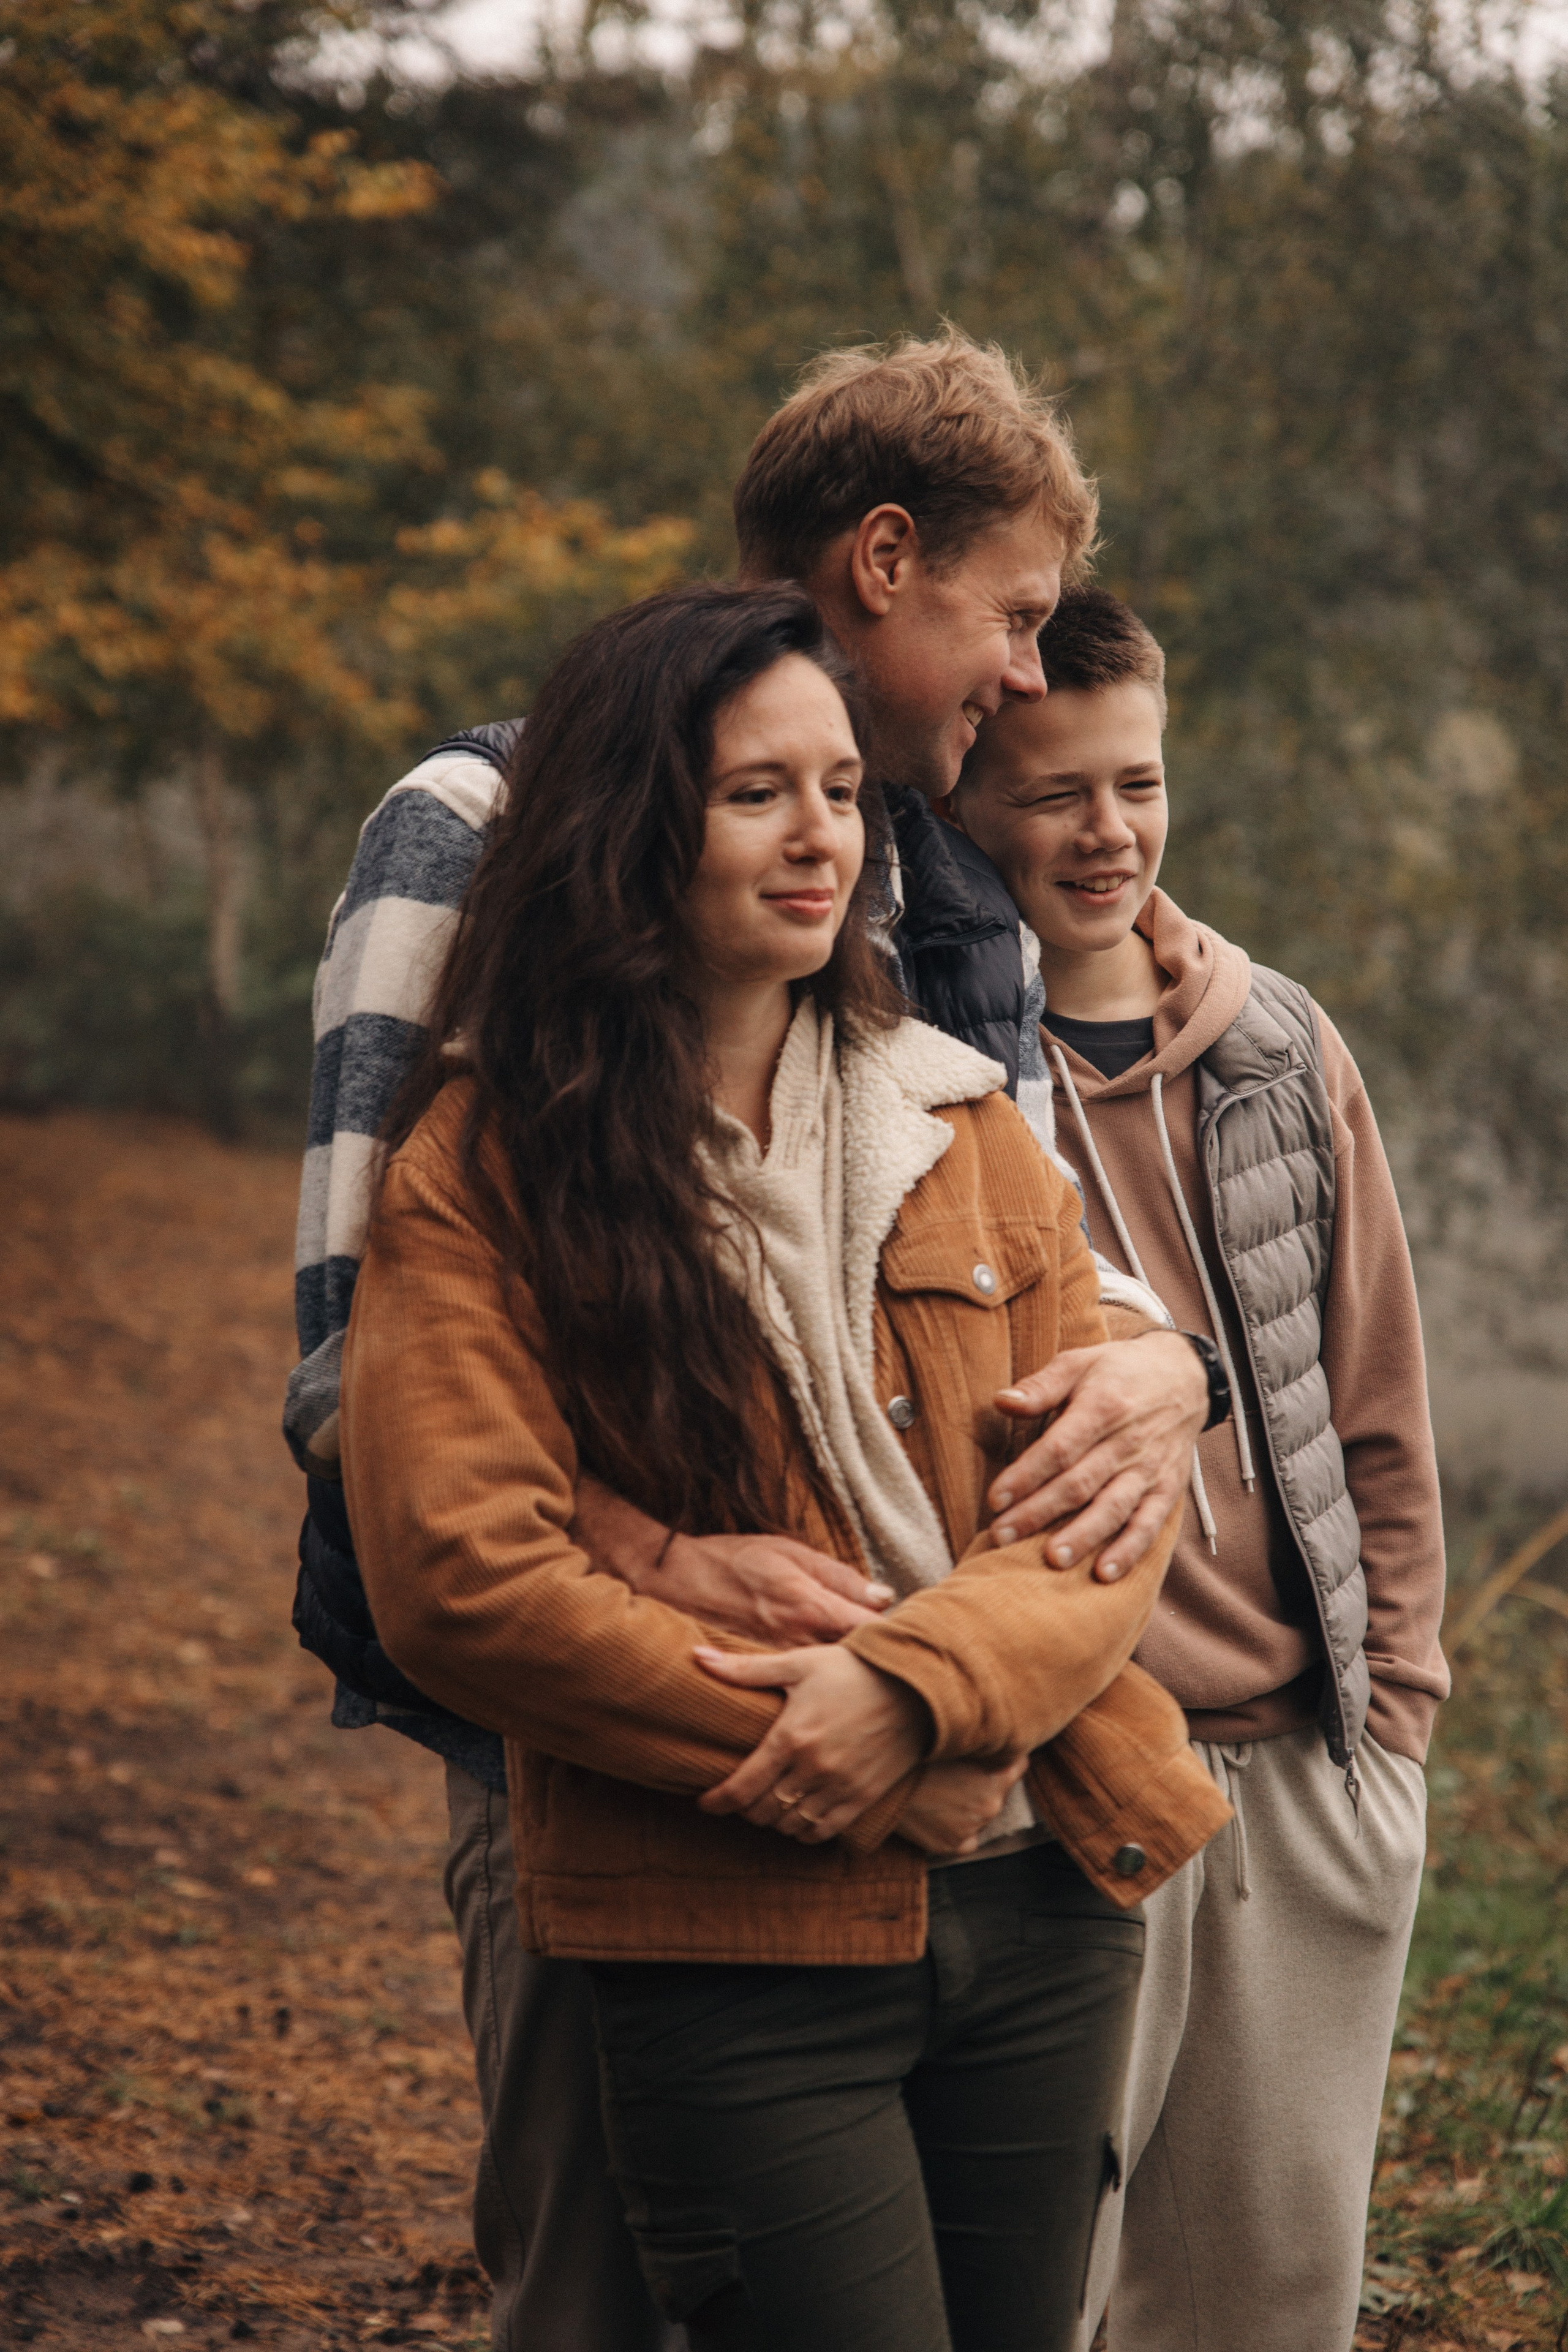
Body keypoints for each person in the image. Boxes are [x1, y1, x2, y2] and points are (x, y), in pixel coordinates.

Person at [283, 331, 1216, 2350]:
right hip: (606, 1755)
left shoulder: (935, 871)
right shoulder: (473, 820)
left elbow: (1031, 1251)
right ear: (884, 560)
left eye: (827, 798)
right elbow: (362, 1355)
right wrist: (645, 1562)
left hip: (976, 1787)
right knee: (602, 2289)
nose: (1029, 676)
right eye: (1015, 617)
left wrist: (1165, 1369)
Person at [945, 585, 1450, 2352]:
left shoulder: (1279, 1045)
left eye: (1138, 784)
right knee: (1041, 2294)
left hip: (1308, 1775)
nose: (1109, 831)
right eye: (1054, 792)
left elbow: (1378, 1403)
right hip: (1071, 1773)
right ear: (963, 798)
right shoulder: (930, 1070)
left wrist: (1394, 1733)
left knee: (1265, 2302)